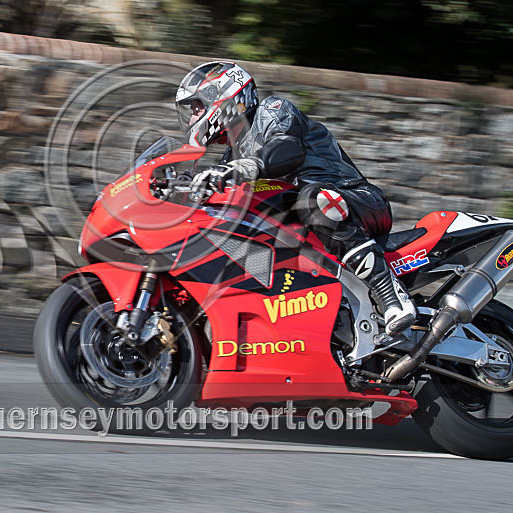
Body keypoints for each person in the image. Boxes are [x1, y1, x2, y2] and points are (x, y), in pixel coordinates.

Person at [175, 61, 415, 336]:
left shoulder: (272, 111)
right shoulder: (231, 156)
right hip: (310, 230)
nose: (193, 118)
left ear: (224, 96)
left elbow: (286, 148)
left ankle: (391, 294)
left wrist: (249, 167)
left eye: (197, 108)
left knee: (312, 199)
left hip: (355, 201)